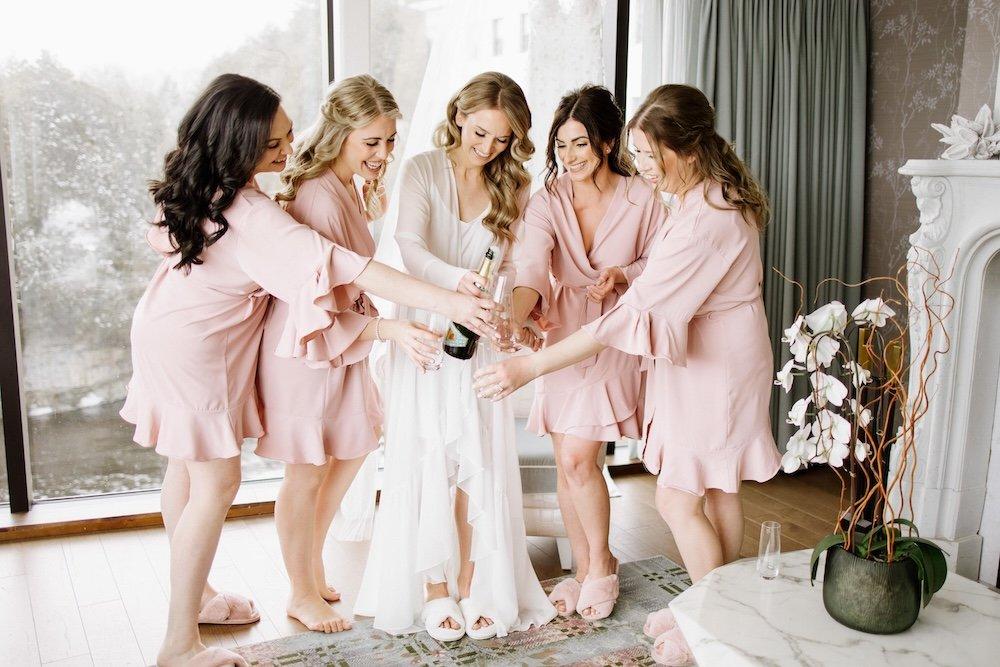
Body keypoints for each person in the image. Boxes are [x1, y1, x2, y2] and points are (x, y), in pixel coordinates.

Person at [122, 73, 495, 667]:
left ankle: (199, 598)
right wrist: (447, 302)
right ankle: (179, 645)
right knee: (215, 484)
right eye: (274, 142)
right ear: (238, 144)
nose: (289, 148)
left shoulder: (218, 186)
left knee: (186, 474)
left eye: (289, 134)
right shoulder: (252, 211)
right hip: (196, 350)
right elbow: (345, 267)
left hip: (167, 326)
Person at [473, 84, 781, 666]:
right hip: (709, 352)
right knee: (716, 485)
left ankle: (708, 623)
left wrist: (530, 365)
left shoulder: (700, 218)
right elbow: (546, 265)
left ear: (684, 149)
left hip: (714, 364)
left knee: (678, 497)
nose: (642, 166)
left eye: (647, 154)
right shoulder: (701, 197)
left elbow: (636, 312)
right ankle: (710, 606)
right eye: (637, 154)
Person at [355, 72, 556, 642]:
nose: (488, 147)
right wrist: (456, 284)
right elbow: (410, 249)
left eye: (502, 138)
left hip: (480, 331)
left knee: (477, 458)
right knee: (429, 458)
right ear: (458, 117)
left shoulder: (513, 185)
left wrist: (510, 312)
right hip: (425, 329)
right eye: (480, 132)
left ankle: (472, 583)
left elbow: (513, 265)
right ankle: (433, 587)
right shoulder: (422, 169)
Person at [254, 75, 437, 634]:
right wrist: (389, 330)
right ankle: (300, 590)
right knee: (307, 472)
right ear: (340, 133)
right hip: (309, 345)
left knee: (352, 450)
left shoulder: (343, 184)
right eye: (371, 142)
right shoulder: (318, 194)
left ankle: (309, 566)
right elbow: (323, 299)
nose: (384, 152)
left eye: (389, 140)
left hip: (342, 342)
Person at [510, 85, 663, 621]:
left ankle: (600, 565)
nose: (569, 156)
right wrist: (517, 313)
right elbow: (532, 267)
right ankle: (582, 572)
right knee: (567, 461)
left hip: (617, 329)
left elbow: (662, 262)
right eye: (561, 145)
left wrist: (623, 274)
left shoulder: (642, 197)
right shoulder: (547, 201)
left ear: (606, 143)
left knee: (579, 457)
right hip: (563, 332)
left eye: (580, 143)